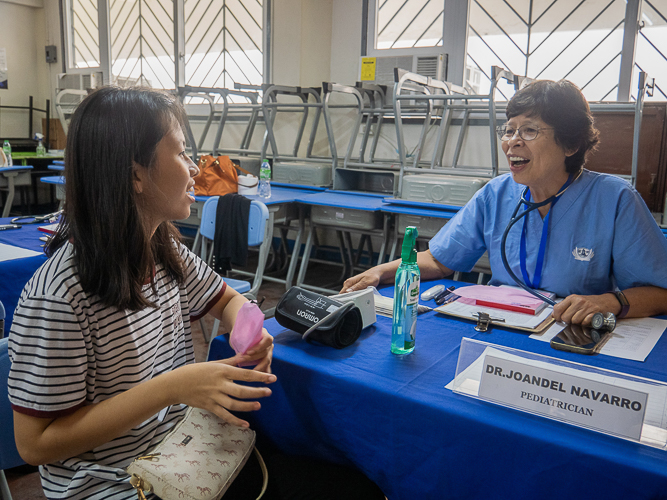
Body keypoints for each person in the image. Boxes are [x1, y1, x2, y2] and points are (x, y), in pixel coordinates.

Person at [7, 87, 275, 499]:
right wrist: (172, 387)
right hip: (113, 486)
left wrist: (249, 330)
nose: (194, 170)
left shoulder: (167, 254)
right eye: (183, 154)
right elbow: (35, 443)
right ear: (136, 174)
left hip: (179, 454)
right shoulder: (58, 297)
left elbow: (227, 300)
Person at [343, 79, 667, 325]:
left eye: (528, 130)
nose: (512, 141)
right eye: (509, 129)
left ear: (570, 143)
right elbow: (441, 260)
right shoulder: (495, 194)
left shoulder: (615, 200)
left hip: (569, 331)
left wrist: (608, 302)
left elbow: (660, 292)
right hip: (500, 325)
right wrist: (379, 273)